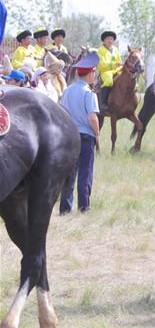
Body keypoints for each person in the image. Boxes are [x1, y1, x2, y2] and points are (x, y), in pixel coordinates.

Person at [59, 52, 101, 214]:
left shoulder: (68, 91)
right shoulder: (88, 93)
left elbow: (62, 112)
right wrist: (97, 135)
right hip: (85, 137)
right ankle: (83, 206)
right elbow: (92, 117)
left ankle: (65, 207)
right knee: (85, 172)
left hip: (70, 136)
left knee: (69, 173)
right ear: (90, 73)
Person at [97, 30, 122, 113]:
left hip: (116, 71)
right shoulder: (100, 51)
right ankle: (103, 103)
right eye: (108, 39)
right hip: (105, 72)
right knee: (109, 80)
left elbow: (119, 61)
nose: (110, 41)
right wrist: (115, 64)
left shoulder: (115, 49)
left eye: (111, 39)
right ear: (104, 40)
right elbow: (101, 65)